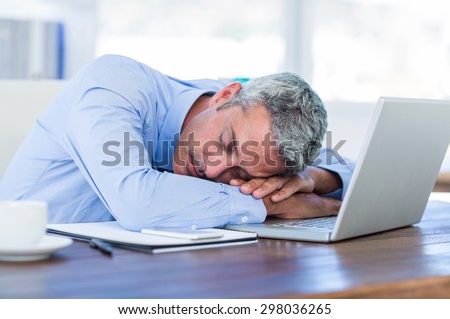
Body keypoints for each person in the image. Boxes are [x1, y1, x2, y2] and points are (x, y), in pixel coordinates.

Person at [0, 54, 353, 231]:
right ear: (226, 95)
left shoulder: (255, 127)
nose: (215, 167)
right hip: (27, 265)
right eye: (228, 143)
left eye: (242, 171)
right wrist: (271, 205)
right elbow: (138, 203)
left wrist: (312, 180)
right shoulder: (113, 84)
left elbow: (352, 168)